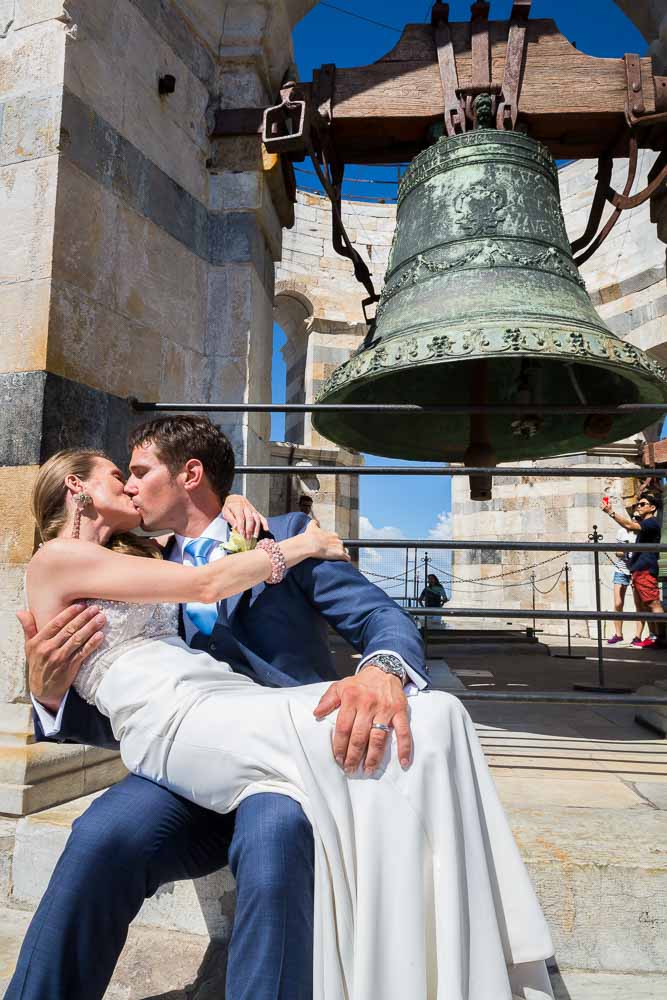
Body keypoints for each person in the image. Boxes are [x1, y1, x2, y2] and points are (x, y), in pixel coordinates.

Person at [9, 427, 555, 1000]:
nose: (131, 485)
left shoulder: (282, 530)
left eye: (138, 472)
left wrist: (380, 671)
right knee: (101, 835)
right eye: (122, 475)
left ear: (190, 475)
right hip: (184, 753)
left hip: (286, 744)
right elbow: (123, 685)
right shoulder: (139, 558)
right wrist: (48, 696)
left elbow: (381, 619)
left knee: (275, 841)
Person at [602, 493, 665, 649]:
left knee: (653, 604)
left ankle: (662, 638)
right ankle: (656, 637)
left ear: (652, 507)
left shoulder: (651, 523)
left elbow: (630, 526)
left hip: (645, 569)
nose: (639, 506)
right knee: (646, 605)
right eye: (638, 504)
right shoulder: (647, 523)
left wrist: (611, 512)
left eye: (642, 504)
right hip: (638, 570)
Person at [606, 516, 642, 646]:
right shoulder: (622, 531)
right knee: (617, 603)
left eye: (638, 518)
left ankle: (638, 637)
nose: (635, 519)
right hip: (621, 569)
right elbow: (618, 552)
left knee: (639, 604)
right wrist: (626, 552)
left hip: (637, 569)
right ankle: (618, 634)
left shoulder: (643, 532)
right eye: (633, 517)